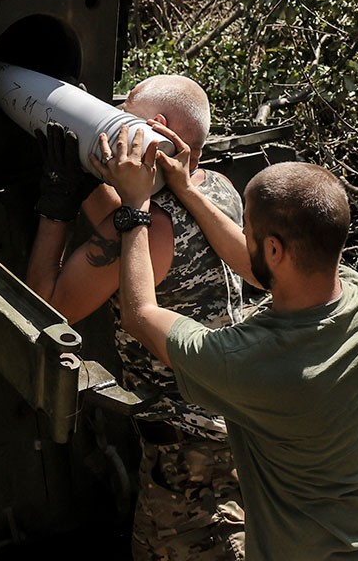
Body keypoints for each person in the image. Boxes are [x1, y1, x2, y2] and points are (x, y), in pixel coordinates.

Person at [93, 122, 358, 560]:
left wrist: (135, 204)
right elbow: (259, 269)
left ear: (273, 249)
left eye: (246, 226)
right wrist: (189, 191)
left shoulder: (250, 362)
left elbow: (141, 316)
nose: (243, 235)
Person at [25, 74, 247, 560]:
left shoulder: (158, 226)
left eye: (126, 115)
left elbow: (48, 308)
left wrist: (57, 204)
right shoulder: (220, 189)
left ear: (156, 128)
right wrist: (91, 174)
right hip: (226, 429)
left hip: (189, 466)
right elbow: (129, 222)